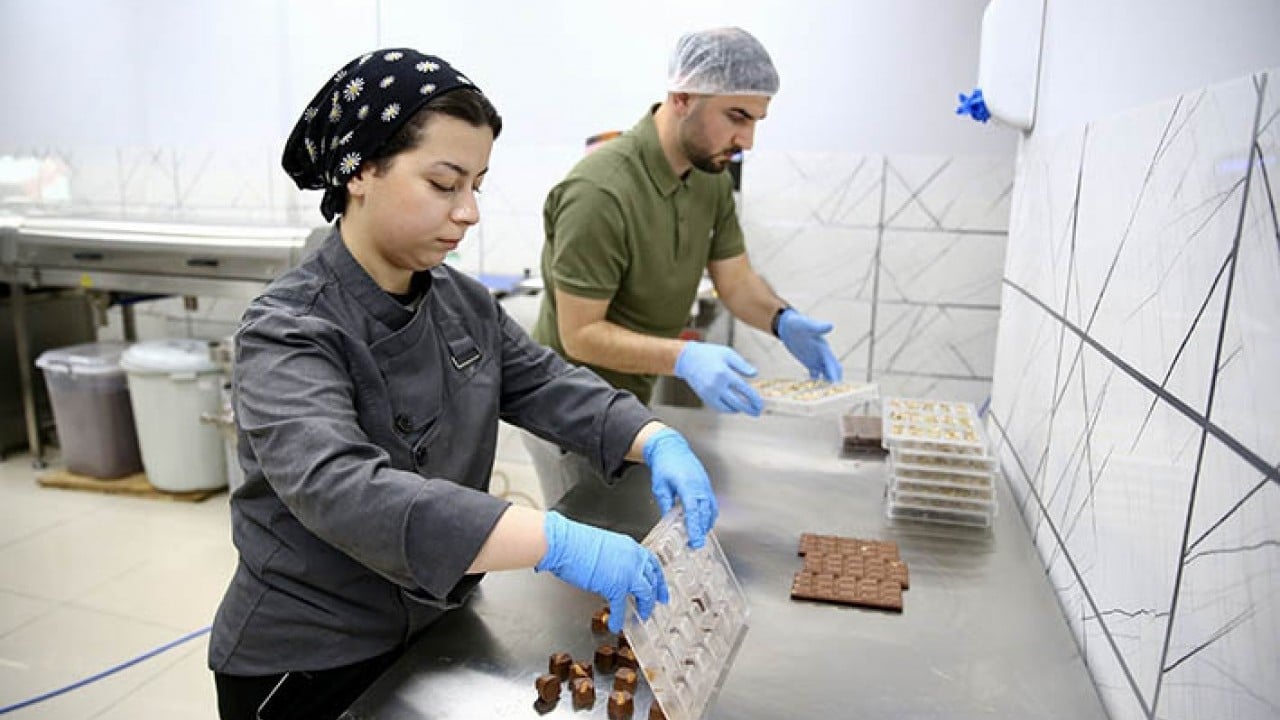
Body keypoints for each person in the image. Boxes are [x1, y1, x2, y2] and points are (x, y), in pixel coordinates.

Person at [208, 48, 718, 720]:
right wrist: (554, 541)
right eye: (444, 184)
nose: (470, 211)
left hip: (434, 627)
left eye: (477, 184)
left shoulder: (461, 302)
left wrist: (652, 437)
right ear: (359, 171)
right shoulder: (287, 329)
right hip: (310, 661)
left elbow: (547, 382)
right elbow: (344, 490)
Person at [525, 27, 842, 506]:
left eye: (756, 121)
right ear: (681, 98)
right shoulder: (599, 192)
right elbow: (580, 335)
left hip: (630, 402)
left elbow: (736, 281)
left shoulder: (709, 177)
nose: (747, 140)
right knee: (591, 529)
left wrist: (783, 319)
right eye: (737, 116)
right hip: (570, 411)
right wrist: (684, 358)